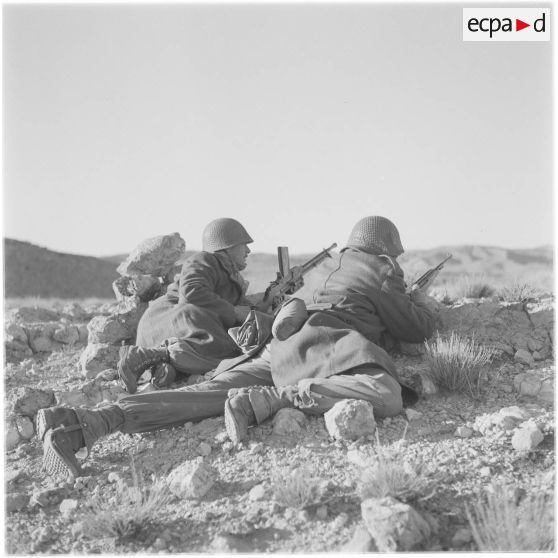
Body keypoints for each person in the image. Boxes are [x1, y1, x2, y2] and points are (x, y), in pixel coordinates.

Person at [38, 216, 437, 479]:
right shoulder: (381, 270)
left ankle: (84, 423)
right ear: (389, 249)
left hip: (279, 346)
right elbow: (416, 329)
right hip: (324, 348)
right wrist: (420, 299)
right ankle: (276, 399)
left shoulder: (332, 270)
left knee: (206, 394)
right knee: (385, 395)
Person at [117, 217, 274, 393]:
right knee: (227, 347)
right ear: (227, 245)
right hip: (166, 320)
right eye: (243, 245)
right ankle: (144, 356)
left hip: (183, 327)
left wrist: (268, 301)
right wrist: (234, 312)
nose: (248, 251)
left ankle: (165, 368)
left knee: (236, 348)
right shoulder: (204, 259)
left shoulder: (231, 278)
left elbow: (237, 312)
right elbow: (192, 292)